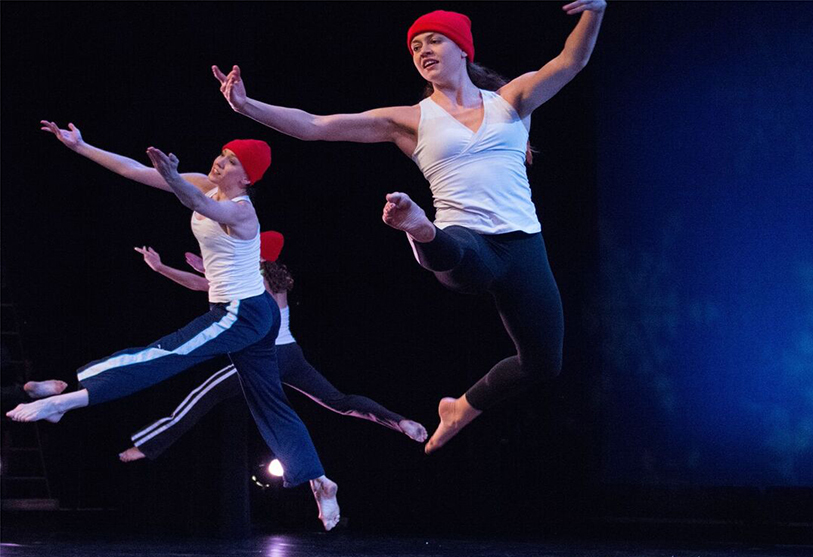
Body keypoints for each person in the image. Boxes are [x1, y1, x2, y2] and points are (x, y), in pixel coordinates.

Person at [212, 2, 606, 453]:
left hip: (523, 245)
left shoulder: (511, 101)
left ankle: (459, 408)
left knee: (543, 364)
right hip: (461, 241)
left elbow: (570, 61)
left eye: (434, 40)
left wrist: (596, 10)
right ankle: (417, 226)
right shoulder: (411, 119)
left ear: (462, 50)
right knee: (457, 254)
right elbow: (316, 126)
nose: (423, 50)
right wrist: (246, 106)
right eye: (415, 46)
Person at [9, 121, 341, 530]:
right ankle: (321, 481)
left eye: (232, 160)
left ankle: (66, 398)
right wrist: (81, 146)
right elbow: (132, 170)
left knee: (165, 354)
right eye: (223, 153)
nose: (220, 161)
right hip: (251, 312)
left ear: (248, 176)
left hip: (242, 312)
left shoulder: (242, 211)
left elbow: (204, 208)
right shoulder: (205, 182)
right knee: (268, 400)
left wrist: (171, 176)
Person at [121, 232, 427, 463]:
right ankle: (400, 421)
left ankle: (148, 445)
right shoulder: (271, 277)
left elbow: (204, 285)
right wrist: (204, 272)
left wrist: (163, 269)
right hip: (291, 355)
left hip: (266, 358)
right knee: (339, 400)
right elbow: (210, 283)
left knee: (202, 396)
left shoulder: (254, 276)